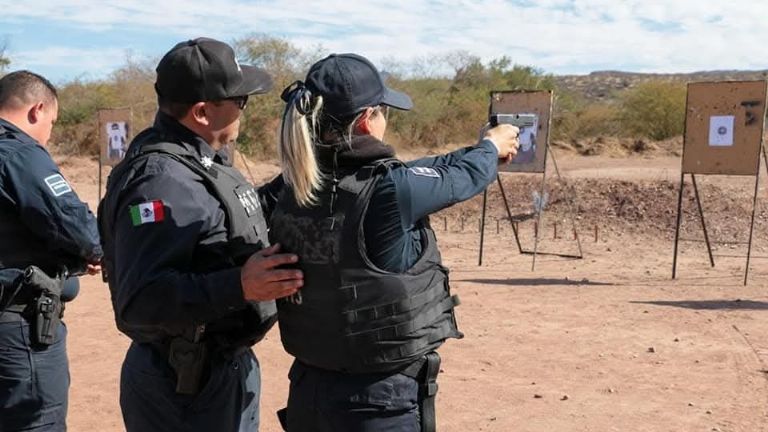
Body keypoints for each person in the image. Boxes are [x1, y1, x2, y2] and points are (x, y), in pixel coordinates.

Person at [270, 53, 520, 432]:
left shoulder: (291, 186)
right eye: (384, 111)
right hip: (377, 403)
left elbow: (425, 170)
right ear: (367, 120)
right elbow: (460, 178)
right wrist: (489, 147)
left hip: (309, 390)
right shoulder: (389, 189)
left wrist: (481, 150)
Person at [97, 38, 303, 432]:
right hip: (185, 384)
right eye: (240, 100)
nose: (244, 109)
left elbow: (228, 217)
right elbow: (140, 300)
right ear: (202, 112)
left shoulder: (196, 161)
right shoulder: (162, 181)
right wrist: (240, 285)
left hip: (214, 370)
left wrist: (298, 175)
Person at [0, 70, 102, 431]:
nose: (49, 133)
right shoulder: (20, 153)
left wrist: (74, 259)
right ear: (37, 110)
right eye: (52, 122)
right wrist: (97, 250)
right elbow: (74, 223)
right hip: (17, 329)